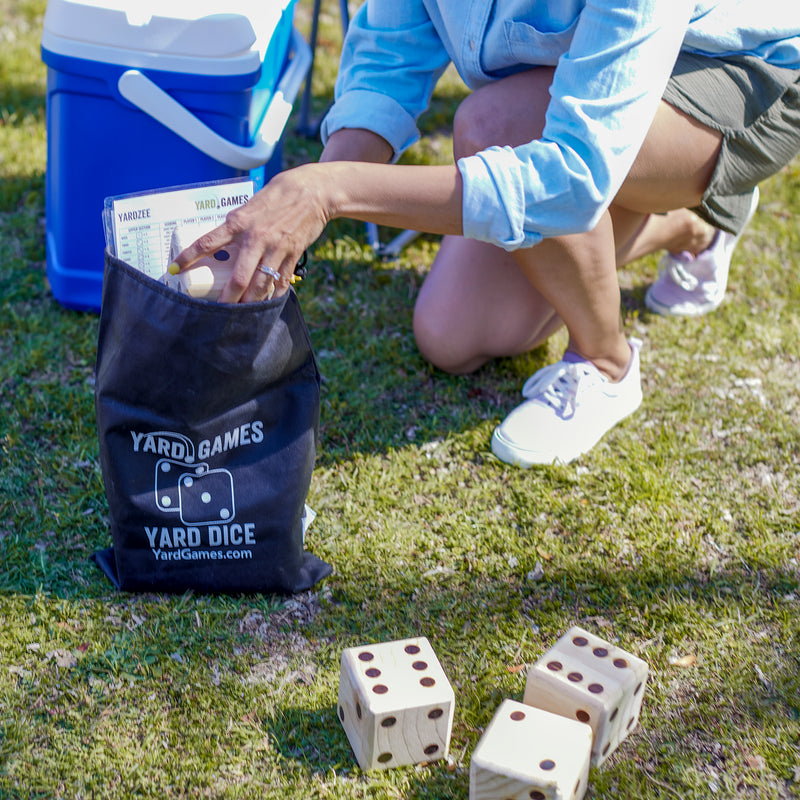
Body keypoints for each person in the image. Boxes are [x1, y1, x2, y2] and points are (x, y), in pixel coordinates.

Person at [171, 1, 800, 466]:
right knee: (451, 334)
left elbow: (572, 176)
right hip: (567, 100)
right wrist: (299, 211)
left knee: (496, 124)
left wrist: (327, 192)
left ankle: (607, 363)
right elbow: (388, 64)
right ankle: (687, 224)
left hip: (731, 72)